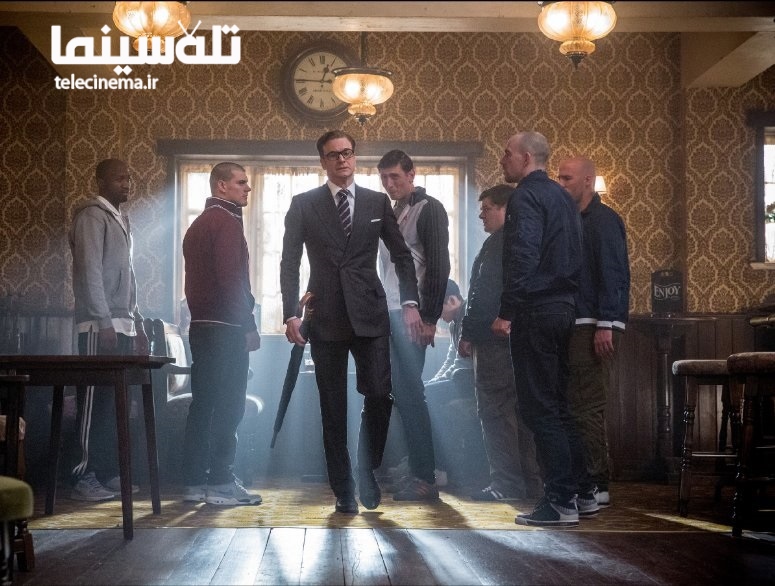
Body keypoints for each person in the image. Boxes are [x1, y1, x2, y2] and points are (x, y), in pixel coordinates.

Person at [280, 131, 420, 515]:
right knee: (332, 407)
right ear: (323, 161)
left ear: (355, 157)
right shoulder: (304, 204)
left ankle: (366, 467)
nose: (342, 160)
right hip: (324, 315)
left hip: (370, 313)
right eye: (334, 155)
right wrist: (291, 313)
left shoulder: (376, 201)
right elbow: (289, 261)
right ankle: (343, 488)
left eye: (347, 153)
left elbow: (402, 255)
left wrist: (410, 301)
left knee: (379, 394)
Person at [491, 131, 598, 527]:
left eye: (507, 153)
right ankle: (582, 493)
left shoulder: (525, 196)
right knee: (559, 405)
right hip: (564, 310)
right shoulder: (562, 197)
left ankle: (559, 501)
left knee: (539, 408)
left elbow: (523, 255)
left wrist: (507, 311)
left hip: (536, 310)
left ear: (526, 158)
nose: (502, 159)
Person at [180, 162, 262, 506]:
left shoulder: (198, 224)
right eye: (241, 182)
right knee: (229, 407)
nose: (247, 188)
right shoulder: (226, 223)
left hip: (201, 328)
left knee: (203, 406)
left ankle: (193, 484)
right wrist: (249, 325)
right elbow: (231, 282)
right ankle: (221, 483)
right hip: (227, 329)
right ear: (221, 186)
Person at [68, 158, 149, 501]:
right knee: (91, 402)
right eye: (119, 178)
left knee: (111, 404)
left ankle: (104, 471)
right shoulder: (91, 216)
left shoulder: (120, 219)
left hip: (121, 324)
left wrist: (137, 322)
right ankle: (82, 476)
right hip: (97, 325)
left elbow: (128, 278)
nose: (127, 183)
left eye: (129, 178)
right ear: (101, 182)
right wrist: (103, 320)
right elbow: (90, 272)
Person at [459, 184, 543, 502]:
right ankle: (530, 482)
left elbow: (484, 292)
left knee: (495, 410)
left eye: (487, 208)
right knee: (519, 410)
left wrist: (468, 332)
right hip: (518, 337)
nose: (481, 215)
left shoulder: (498, 244)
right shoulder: (524, 241)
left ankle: (506, 483)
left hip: (492, 337)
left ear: (506, 209)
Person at [377, 149, 451, 501]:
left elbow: (439, 265)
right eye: (384, 178)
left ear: (411, 174)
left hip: (414, 316)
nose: (389, 183)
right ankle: (416, 469)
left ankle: (426, 477)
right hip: (391, 313)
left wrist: (430, 318)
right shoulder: (392, 212)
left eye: (395, 176)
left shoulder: (429, 208)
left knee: (411, 395)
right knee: (401, 397)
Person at [557, 156, 630, 509]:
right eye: (559, 177)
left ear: (588, 180)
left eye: (567, 178)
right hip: (573, 323)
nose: (561, 184)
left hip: (593, 324)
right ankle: (584, 481)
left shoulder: (604, 220)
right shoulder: (569, 219)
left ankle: (597, 483)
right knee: (573, 406)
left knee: (586, 406)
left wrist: (606, 323)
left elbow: (614, 274)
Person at [423, 279, 477, 488]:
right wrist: (434, 382)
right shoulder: (455, 323)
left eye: (439, 309)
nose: (438, 317)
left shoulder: (468, 318)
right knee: (423, 393)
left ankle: (441, 468)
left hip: (468, 379)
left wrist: (432, 387)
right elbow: (450, 361)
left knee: (425, 395)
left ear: (453, 300)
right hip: (457, 377)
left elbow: (460, 365)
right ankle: (432, 465)